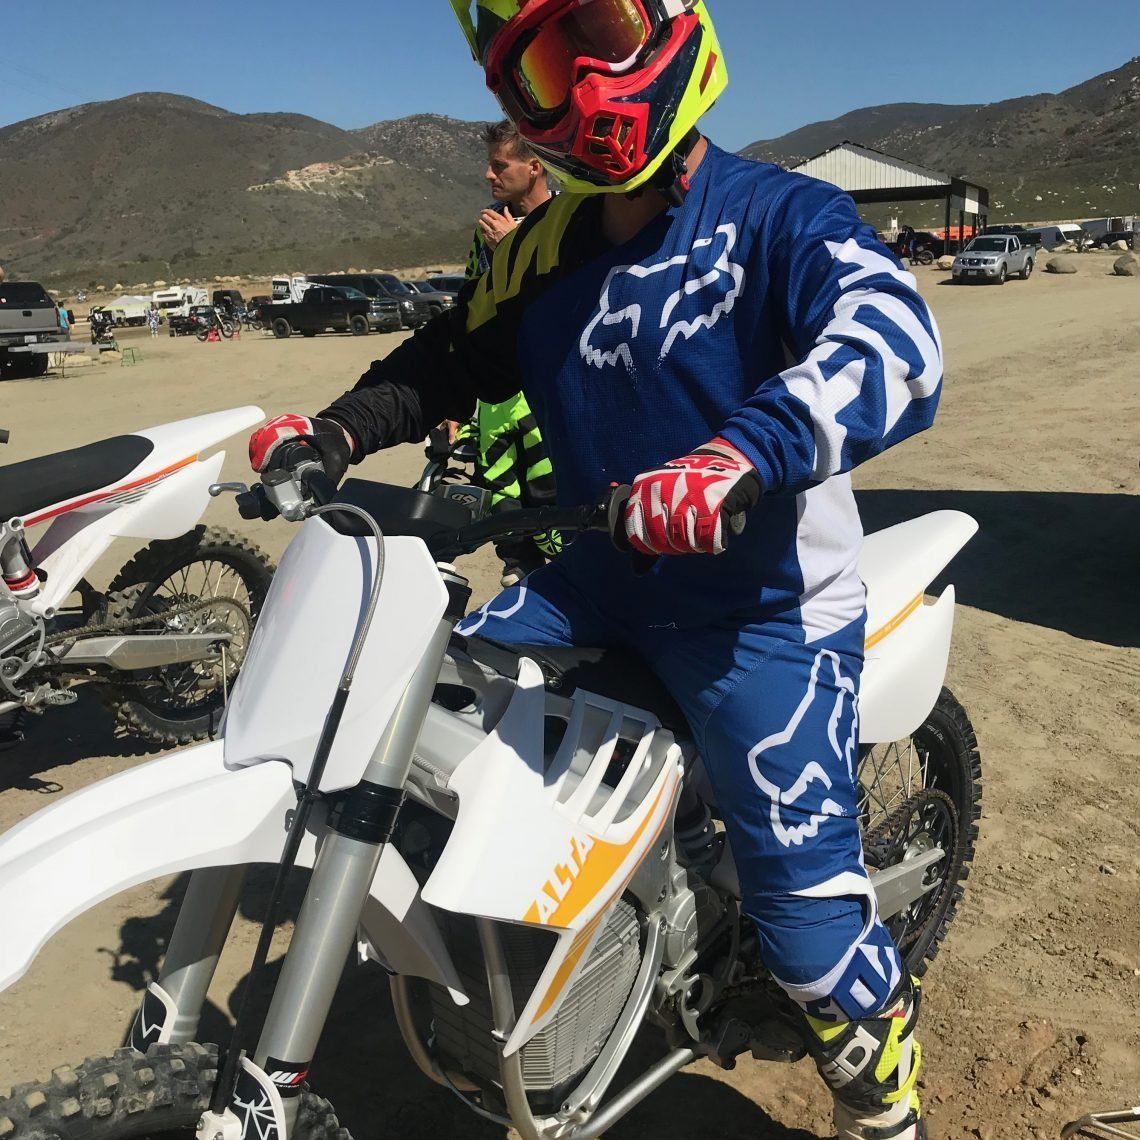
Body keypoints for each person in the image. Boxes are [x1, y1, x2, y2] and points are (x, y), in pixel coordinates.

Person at [249, 2, 943, 1137]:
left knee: (810, 935)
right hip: (591, 579)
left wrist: (741, 456)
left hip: (760, 614)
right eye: (545, 65)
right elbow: (448, 356)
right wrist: (329, 434)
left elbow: (897, 340)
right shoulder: (539, 248)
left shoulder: (780, 214)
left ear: (667, 19)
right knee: (419, 748)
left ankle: (888, 1110)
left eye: (596, 33)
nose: (582, 82)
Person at [459, 120, 560, 587]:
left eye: (500, 165)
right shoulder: (486, 229)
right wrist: (455, 396)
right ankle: (517, 565)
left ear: (534, 166)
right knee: (502, 492)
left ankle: (567, 577)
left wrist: (512, 251)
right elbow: (471, 307)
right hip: (498, 395)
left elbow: (568, 306)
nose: (488, 175)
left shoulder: (571, 221)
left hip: (550, 392)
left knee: (554, 493)